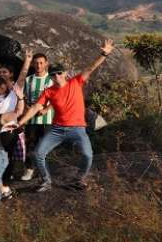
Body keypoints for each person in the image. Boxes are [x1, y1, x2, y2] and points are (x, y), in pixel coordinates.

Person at [17, 40, 115, 192]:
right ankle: (46, 181)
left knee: (88, 156)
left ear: (65, 73)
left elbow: (91, 68)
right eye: (53, 75)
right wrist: (20, 123)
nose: (57, 77)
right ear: (50, 77)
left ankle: (78, 179)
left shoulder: (75, 82)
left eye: (59, 73)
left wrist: (104, 53)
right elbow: (36, 107)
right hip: (57, 129)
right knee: (38, 154)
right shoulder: (49, 91)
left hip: (77, 129)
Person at [21, 52, 53, 181]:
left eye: (41, 63)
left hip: (47, 118)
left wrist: (47, 109)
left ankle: (43, 171)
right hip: (31, 119)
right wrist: (27, 108)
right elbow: (23, 97)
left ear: (46, 63)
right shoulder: (29, 80)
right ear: (33, 64)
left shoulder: (51, 79)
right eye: (36, 63)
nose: (39, 65)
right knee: (29, 144)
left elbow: (57, 98)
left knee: (44, 146)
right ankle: (29, 169)